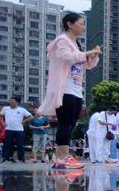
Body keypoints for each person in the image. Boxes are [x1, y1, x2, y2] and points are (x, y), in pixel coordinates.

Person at [38, 12, 100, 169]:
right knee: (65, 123)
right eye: (81, 23)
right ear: (69, 24)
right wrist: (87, 53)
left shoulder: (76, 44)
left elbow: (85, 65)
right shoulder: (62, 41)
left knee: (71, 123)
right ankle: (63, 157)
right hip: (64, 87)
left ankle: (59, 157)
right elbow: (66, 57)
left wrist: (93, 55)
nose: (83, 27)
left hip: (77, 89)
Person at [0, 96, 33, 162]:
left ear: (17, 102)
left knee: (20, 145)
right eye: (10, 100)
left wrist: (24, 121)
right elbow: (0, 115)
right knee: (8, 144)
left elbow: (31, 116)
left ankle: (21, 159)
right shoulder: (5, 108)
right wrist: (2, 122)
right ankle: (6, 158)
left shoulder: (22, 110)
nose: (10, 102)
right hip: (8, 129)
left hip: (19, 130)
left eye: (12, 100)